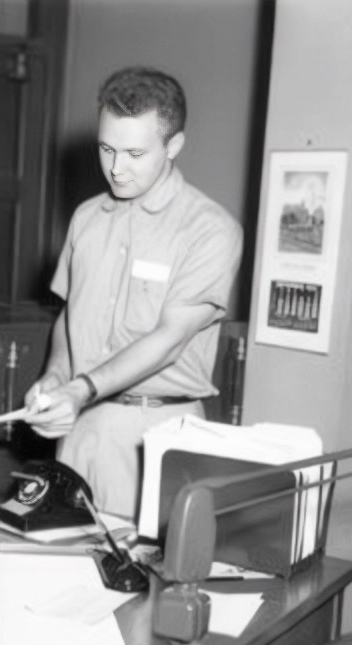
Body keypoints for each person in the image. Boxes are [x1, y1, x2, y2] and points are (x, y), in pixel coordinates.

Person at [24, 66, 243, 519]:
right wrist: (55, 377)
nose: (116, 168)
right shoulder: (87, 217)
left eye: (134, 153)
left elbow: (169, 340)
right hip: (82, 429)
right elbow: (70, 317)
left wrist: (81, 388)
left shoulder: (210, 230)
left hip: (157, 435)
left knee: (148, 584)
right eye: (106, 149)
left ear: (173, 146)